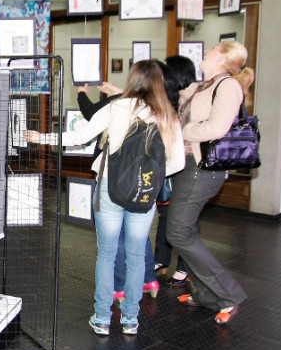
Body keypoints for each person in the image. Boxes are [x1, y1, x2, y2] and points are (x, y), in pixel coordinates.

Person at [26, 60, 185, 336]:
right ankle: (130, 319)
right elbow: (177, 162)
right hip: (144, 193)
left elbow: (80, 136)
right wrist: (150, 177)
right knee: (136, 255)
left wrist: (42, 137)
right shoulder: (168, 115)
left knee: (107, 254)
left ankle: (102, 318)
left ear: (133, 80)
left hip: (110, 187)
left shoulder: (116, 107)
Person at [167, 41, 250, 324]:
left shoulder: (228, 86)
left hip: (203, 168)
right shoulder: (203, 85)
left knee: (178, 232)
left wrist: (182, 130)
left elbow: (217, 128)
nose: (207, 50)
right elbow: (168, 96)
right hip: (188, 165)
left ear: (223, 58)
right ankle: (205, 294)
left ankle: (228, 294)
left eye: (213, 48)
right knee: (185, 231)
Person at [76, 81, 159, 303]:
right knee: (138, 238)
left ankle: (118, 287)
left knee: (115, 239)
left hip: (114, 178)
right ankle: (149, 279)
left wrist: (81, 93)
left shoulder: (116, 105)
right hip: (143, 179)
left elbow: (90, 114)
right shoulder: (157, 108)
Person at [153, 55, 198, 285]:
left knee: (186, 217)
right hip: (171, 163)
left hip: (190, 163)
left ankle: (185, 265)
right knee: (166, 212)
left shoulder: (193, 98)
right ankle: (162, 258)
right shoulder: (169, 96)